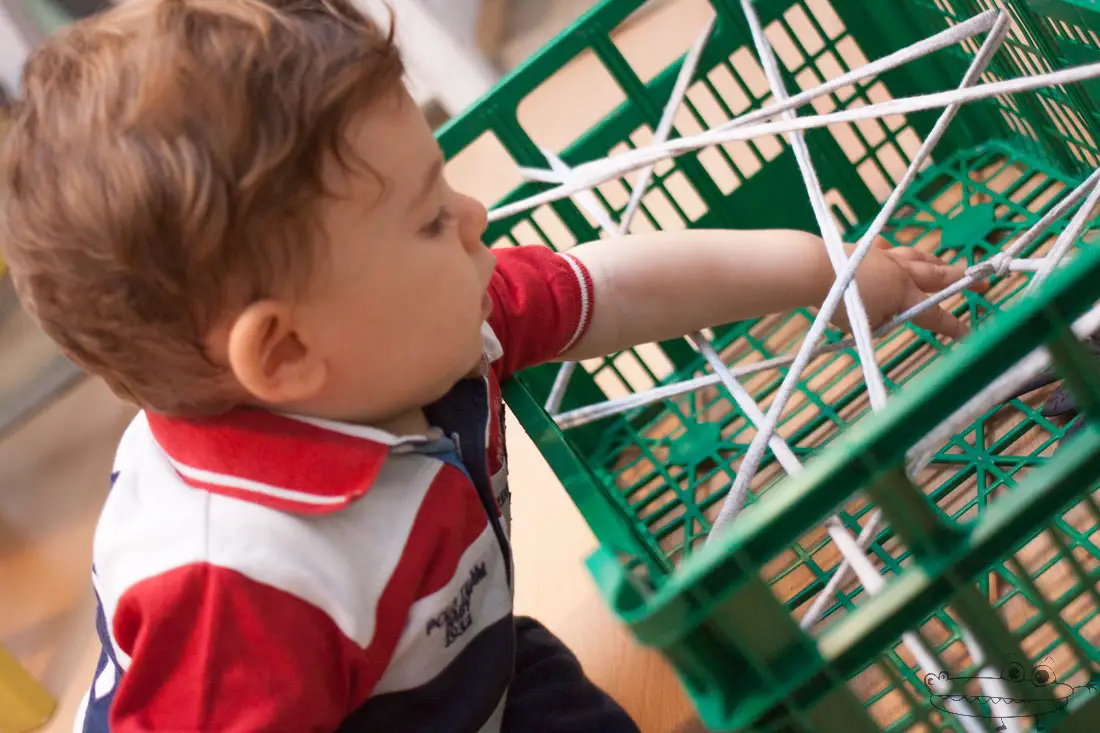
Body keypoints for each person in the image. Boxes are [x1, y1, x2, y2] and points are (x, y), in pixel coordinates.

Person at [0, 1, 984, 731]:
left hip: (472, 672)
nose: (474, 219)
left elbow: (613, 287)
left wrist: (827, 271)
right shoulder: (240, 585)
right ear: (287, 350)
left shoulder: (411, 328)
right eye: (431, 217)